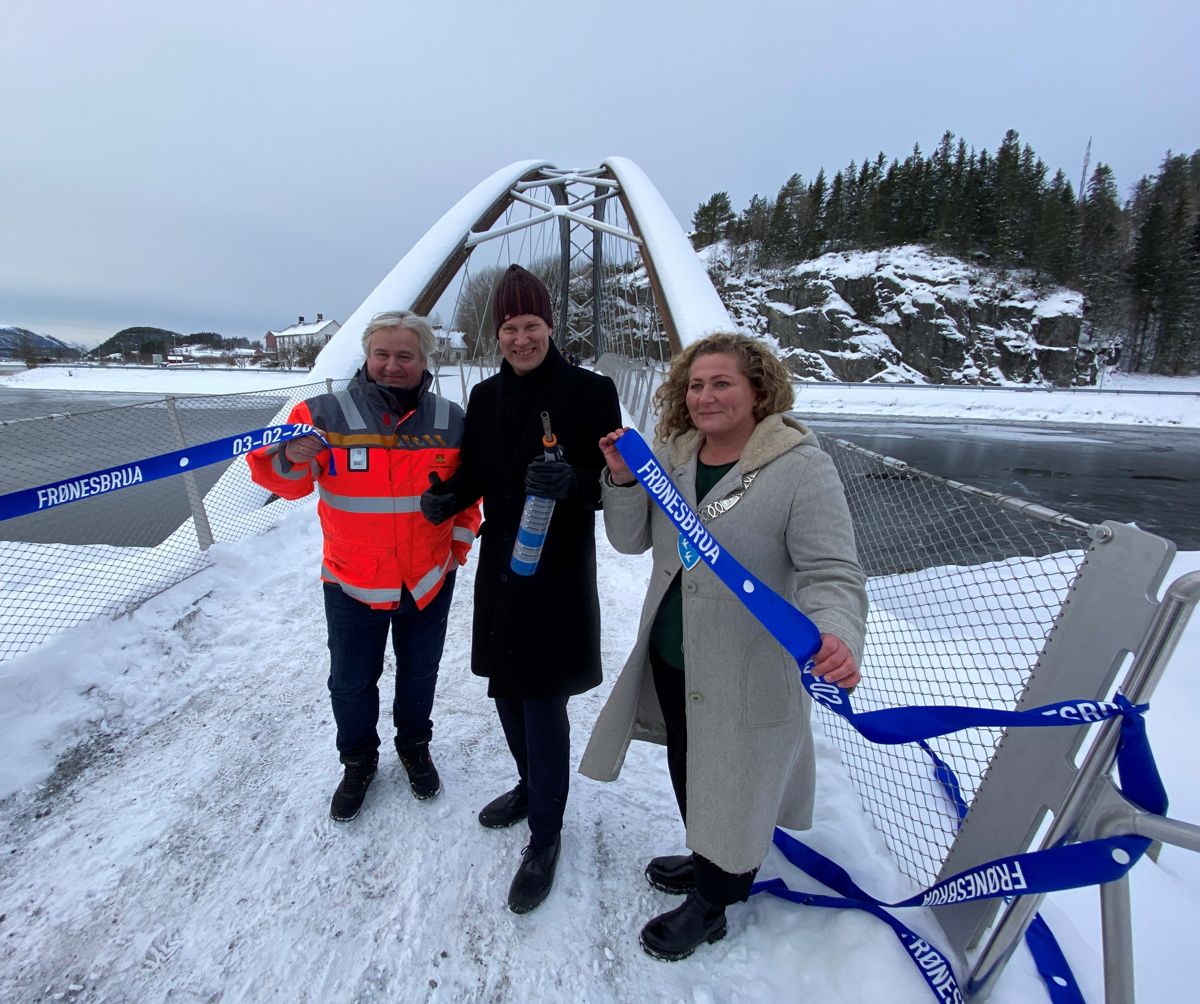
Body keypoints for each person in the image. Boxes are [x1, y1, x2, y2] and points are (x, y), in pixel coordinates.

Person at [579, 332, 867, 961]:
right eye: (696, 384)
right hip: (674, 651)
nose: (705, 396)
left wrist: (839, 632)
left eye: (722, 383)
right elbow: (630, 543)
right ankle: (709, 853)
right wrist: (624, 481)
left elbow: (832, 572)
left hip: (748, 662)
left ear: (759, 390)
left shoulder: (800, 467)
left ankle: (715, 903)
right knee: (692, 765)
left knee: (737, 779)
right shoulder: (672, 457)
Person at [420, 265, 621, 914]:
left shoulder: (592, 391)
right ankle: (531, 787)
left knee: (542, 699)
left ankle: (546, 833)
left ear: (550, 327)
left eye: (531, 325)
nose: (520, 338)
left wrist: (578, 485)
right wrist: (449, 495)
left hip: (559, 569)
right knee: (506, 688)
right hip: (504, 564)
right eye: (509, 328)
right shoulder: (484, 398)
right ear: (498, 334)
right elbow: (477, 471)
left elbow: (611, 481)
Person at [247, 311, 481, 822]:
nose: (392, 366)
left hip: (427, 580)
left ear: (424, 361)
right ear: (366, 356)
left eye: (405, 355)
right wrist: (290, 453)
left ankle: (415, 748)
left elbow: (469, 497)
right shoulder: (323, 414)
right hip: (353, 580)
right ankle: (357, 761)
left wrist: (455, 551)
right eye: (382, 354)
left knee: (420, 675)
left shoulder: (451, 419)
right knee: (351, 682)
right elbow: (285, 482)